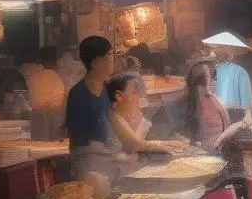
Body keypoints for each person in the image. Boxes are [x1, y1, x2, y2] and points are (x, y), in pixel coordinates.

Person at [65, 35, 117, 186]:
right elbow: (77, 140)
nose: (112, 60)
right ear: (95, 62)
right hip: (87, 170)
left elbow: (114, 126)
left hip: (109, 162)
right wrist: (103, 149)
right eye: (109, 56)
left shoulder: (108, 91)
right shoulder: (78, 94)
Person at [105, 73, 182, 172]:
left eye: (140, 92)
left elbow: (142, 143)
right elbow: (133, 146)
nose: (140, 97)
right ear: (119, 96)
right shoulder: (111, 118)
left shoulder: (140, 117)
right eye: (134, 92)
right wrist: (158, 146)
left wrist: (167, 144)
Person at [183, 62, 236, 150]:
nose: (212, 78)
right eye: (209, 75)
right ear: (205, 79)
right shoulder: (205, 99)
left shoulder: (196, 97)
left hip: (212, 147)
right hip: (213, 150)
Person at [204, 32, 252, 123]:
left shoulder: (210, 70)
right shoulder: (240, 72)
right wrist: (248, 116)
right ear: (232, 53)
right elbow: (247, 104)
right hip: (234, 116)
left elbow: (209, 92)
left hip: (213, 115)